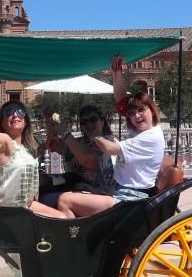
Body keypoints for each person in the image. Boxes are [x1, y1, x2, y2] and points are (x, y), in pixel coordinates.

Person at [54, 56, 166, 218]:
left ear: (152, 109)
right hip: (121, 191)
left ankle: (74, 241)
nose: (137, 116)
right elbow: (121, 98)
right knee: (75, 193)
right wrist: (117, 71)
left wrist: (94, 137)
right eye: (132, 113)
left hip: (129, 198)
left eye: (141, 110)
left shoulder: (150, 137)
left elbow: (110, 149)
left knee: (65, 200)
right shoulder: (142, 130)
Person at [0, 101, 67, 218]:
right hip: (3, 209)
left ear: (26, 121)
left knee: (65, 217)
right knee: (60, 219)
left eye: (20, 112)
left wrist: (49, 120)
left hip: (24, 205)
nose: (15, 115)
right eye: (9, 112)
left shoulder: (26, 148)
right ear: (2, 122)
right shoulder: (4, 140)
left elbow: (43, 147)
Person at [52, 105, 118, 216]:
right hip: (78, 191)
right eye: (84, 121)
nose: (89, 124)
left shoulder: (109, 142)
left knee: (63, 200)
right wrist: (50, 121)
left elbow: (88, 161)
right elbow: (53, 145)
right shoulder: (80, 142)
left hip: (102, 196)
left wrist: (65, 133)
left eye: (93, 119)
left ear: (102, 121)